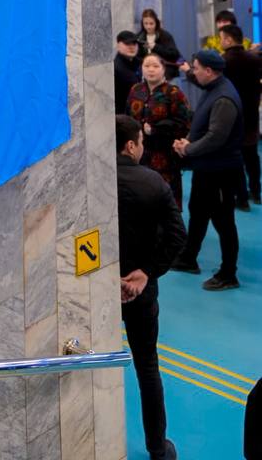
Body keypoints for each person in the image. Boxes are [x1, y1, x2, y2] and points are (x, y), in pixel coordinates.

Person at [116, 114, 186, 460]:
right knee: (147, 367)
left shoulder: (90, 181)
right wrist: (146, 273)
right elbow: (177, 236)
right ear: (131, 145)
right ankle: (158, 448)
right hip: (141, 292)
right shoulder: (153, 183)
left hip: (97, 291)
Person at [172, 49, 244, 289]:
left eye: (195, 68)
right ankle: (188, 258)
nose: (193, 72)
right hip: (206, 168)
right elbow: (205, 128)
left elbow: (216, 138)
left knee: (224, 222)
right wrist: (188, 142)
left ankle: (228, 274)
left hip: (220, 172)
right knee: (198, 212)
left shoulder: (224, 99)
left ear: (209, 71)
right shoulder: (213, 88)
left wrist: (188, 149)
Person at [127, 53, 192, 209]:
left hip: (165, 155)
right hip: (139, 155)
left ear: (163, 69)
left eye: (155, 66)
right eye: (147, 66)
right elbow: (127, 117)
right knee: (141, 199)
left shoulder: (173, 93)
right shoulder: (136, 90)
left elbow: (185, 124)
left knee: (165, 199)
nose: (151, 70)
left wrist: (156, 130)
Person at [219, 23, 262, 208]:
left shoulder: (223, 61)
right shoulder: (255, 59)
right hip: (251, 113)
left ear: (228, 40)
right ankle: (256, 192)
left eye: (221, 38)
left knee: (235, 157)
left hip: (232, 115)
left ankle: (242, 198)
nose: (220, 42)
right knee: (252, 156)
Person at [137, 9, 181, 80]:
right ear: (142, 24)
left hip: (166, 72)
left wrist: (155, 47)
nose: (148, 27)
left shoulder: (165, 36)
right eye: (146, 23)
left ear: (156, 23)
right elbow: (137, 57)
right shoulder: (139, 37)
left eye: (151, 23)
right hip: (146, 73)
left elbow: (174, 55)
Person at [114, 30, 141, 111]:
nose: (131, 47)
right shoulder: (116, 68)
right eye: (127, 44)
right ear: (118, 45)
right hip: (123, 113)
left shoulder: (141, 63)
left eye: (134, 43)